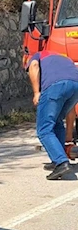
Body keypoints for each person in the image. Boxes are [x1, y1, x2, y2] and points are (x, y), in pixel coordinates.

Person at [26, 50, 78, 180]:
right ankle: (58, 158)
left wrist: (36, 92)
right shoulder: (65, 59)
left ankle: (61, 162)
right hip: (75, 86)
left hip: (55, 87)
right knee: (57, 122)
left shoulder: (37, 56)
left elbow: (33, 66)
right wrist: (69, 133)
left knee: (44, 129)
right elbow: (71, 111)